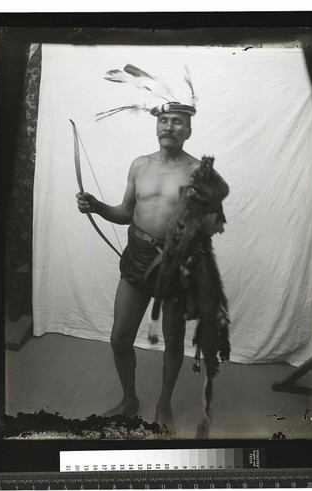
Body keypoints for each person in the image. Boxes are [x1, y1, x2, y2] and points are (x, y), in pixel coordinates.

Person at [76, 102, 225, 430]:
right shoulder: (139, 165)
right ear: (156, 127)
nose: (169, 126)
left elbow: (213, 225)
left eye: (177, 122)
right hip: (137, 259)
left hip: (174, 269)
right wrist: (98, 207)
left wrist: (202, 213)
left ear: (188, 130)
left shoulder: (201, 173)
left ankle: (163, 404)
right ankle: (130, 398)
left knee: (173, 342)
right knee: (119, 338)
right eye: (164, 121)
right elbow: (126, 211)